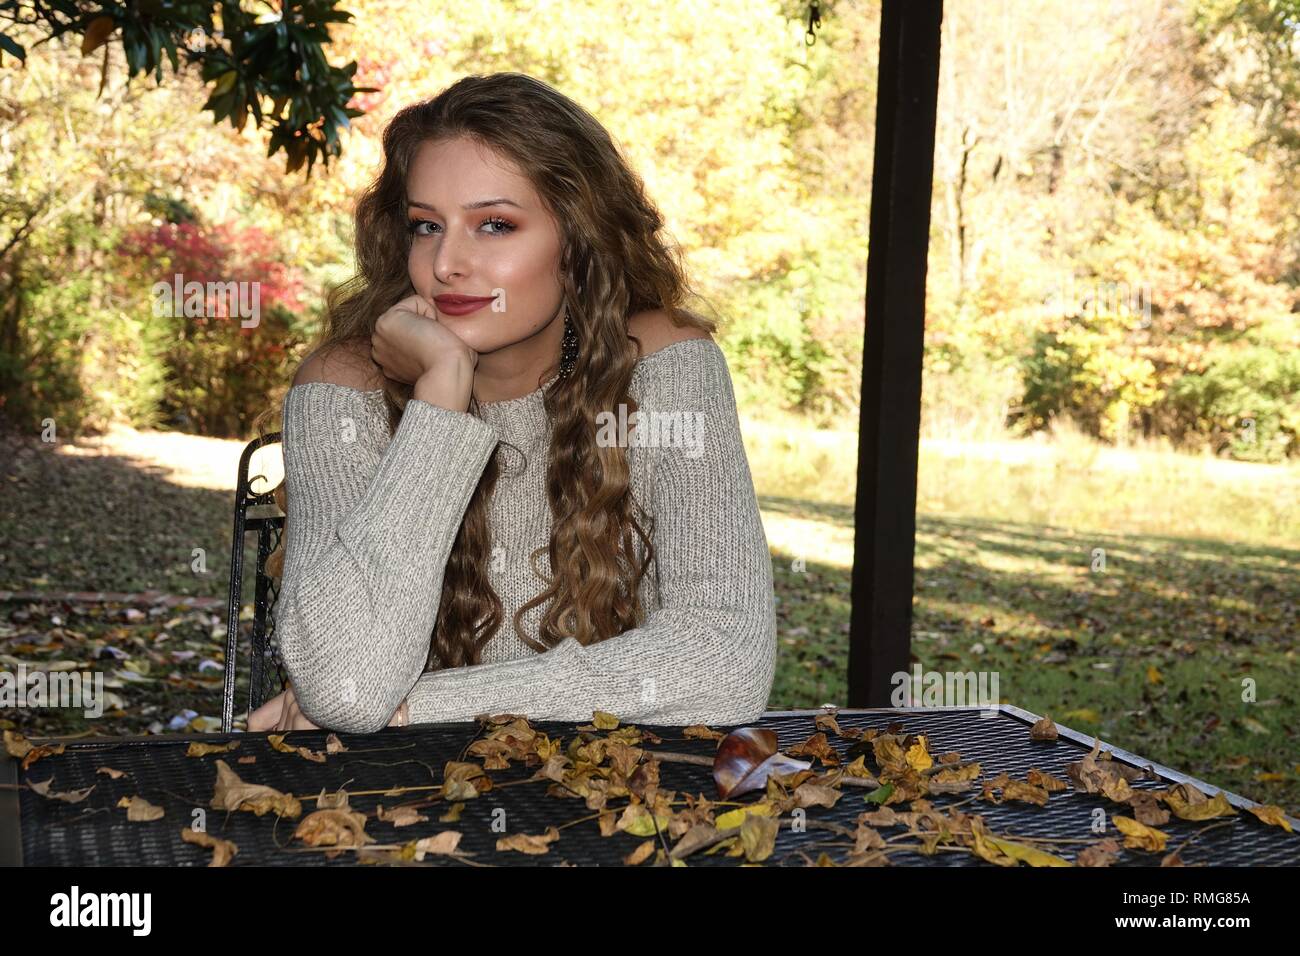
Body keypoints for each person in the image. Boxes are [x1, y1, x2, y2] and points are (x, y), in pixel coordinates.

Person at [248, 72, 776, 734]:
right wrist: (440, 400)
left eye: (495, 224)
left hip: (615, 803)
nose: (446, 263)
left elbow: (728, 661)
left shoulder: (661, 368)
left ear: (577, 242)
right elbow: (347, 689)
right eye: (426, 226)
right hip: (395, 803)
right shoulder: (344, 388)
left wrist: (419, 708)